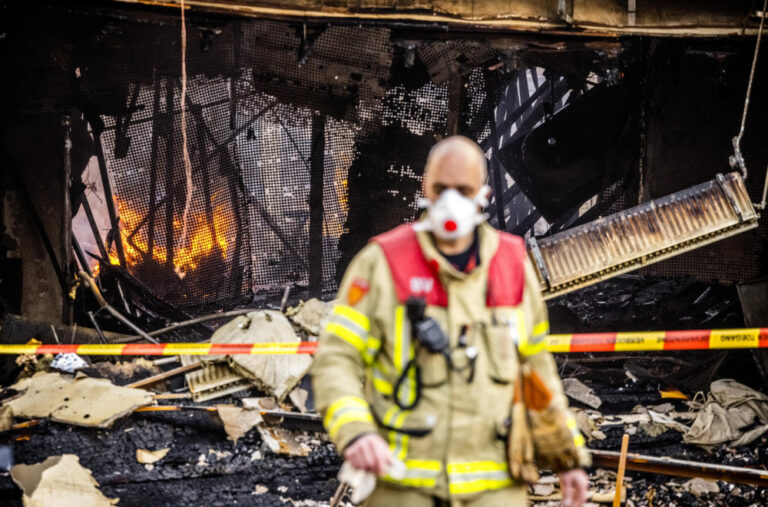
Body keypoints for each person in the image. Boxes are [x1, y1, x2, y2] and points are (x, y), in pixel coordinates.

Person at [312, 136, 590, 506]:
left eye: (463, 189)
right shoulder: (382, 263)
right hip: (402, 487)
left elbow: (536, 373)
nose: (450, 200)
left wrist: (566, 458)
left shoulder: (511, 265)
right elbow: (336, 359)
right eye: (441, 188)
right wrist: (356, 432)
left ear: (484, 194)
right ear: (424, 186)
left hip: (493, 488)